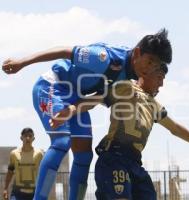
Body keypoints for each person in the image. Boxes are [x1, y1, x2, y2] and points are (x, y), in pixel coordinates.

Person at [2, 29, 172, 200]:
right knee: (62, 141)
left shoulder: (128, 79)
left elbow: (99, 97)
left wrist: (76, 108)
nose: (150, 69)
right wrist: (21, 63)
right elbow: (64, 51)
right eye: (149, 62)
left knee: (84, 155)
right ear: (137, 53)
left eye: (155, 66)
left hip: (76, 98)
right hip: (53, 86)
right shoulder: (105, 58)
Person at [50, 64, 189, 199]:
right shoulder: (126, 87)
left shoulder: (154, 104)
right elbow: (96, 99)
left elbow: (174, 128)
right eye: (159, 78)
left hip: (135, 163)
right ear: (145, 72)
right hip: (114, 158)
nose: (161, 84)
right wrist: (71, 109)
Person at [2, 128, 43, 200]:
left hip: (34, 192)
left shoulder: (39, 154)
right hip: (17, 192)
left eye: (30, 136)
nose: (28, 138)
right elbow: (10, 172)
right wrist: (5, 189)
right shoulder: (14, 154)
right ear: (21, 138)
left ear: (33, 138)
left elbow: (44, 173)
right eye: (25, 136)